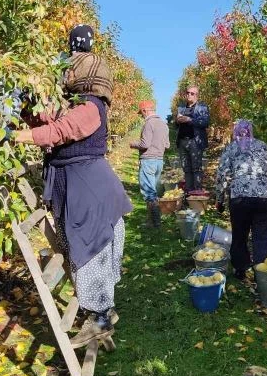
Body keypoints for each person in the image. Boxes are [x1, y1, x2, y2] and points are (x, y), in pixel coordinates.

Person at [14, 36, 132, 347]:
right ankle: (103, 315)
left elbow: (58, 131)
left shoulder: (92, 107)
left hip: (87, 189)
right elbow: (47, 118)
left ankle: (100, 317)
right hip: (77, 186)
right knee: (84, 245)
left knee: (90, 248)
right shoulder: (74, 104)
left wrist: (13, 136)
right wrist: (27, 104)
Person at [215, 119, 267, 281]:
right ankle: (262, 274)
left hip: (240, 198)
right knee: (263, 236)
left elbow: (222, 175)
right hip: (266, 197)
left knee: (240, 234)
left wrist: (219, 200)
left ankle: (240, 269)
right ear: (251, 131)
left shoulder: (231, 148)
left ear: (236, 132)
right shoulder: (264, 146)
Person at [130, 100, 170, 228]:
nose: (142, 116)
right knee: (153, 190)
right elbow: (167, 145)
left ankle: (156, 223)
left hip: (148, 161)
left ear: (145, 111)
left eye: (141, 113)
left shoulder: (149, 124)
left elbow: (145, 144)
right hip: (159, 161)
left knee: (149, 192)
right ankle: (150, 221)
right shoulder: (164, 124)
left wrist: (133, 144)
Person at [175, 85, 210, 192]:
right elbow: (176, 126)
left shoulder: (202, 108)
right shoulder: (181, 108)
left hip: (195, 141)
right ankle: (189, 193)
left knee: (196, 168)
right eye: (187, 92)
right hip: (182, 141)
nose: (189, 95)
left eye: (192, 93)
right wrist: (177, 121)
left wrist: (189, 120)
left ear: (197, 96)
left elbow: (205, 123)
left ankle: (198, 193)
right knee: (186, 169)